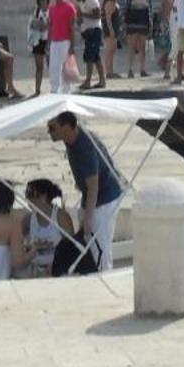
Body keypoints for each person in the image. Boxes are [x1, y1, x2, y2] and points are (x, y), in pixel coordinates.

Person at [48, 110, 124, 272]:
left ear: (66, 127)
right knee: (88, 241)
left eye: (53, 128)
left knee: (100, 248)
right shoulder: (71, 139)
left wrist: (88, 219)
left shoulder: (84, 148)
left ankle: (104, 276)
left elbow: (93, 186)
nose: (49, 132)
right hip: (91, 196)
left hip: (105, 199)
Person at [23, 177, 86, 277]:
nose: (27, 197)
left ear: (44, 196)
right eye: (26, 193)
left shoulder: (61, 217)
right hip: (35, 270)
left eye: (31, 194)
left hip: (57, 268)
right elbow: (23, 246)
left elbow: (71, 247)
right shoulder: (27, 219)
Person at [47, 0, 77, 95]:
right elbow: (51, 26)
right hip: (54, 42)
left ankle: (66, 91)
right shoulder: (52, 8)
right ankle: (54, 90)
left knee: (66, 68)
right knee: (53, 67)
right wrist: (48, 43)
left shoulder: (70, 7)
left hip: (65, 41)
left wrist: (72, 46)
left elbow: (72, 27)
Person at [78, 0, 107, 90]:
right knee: (95, 57)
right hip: (87, 32)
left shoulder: (92, 0)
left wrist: (84, 15)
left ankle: (88, 81)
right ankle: (102, 80)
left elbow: (98, 15)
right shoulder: (81, 2)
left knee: (90, 57)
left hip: (94, 31)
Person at [123, 0, 152, 78]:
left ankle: (142, 69)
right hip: (132, 25)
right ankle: (130, 70)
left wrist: (150, 25)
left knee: (143, 48)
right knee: (131, 48)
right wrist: (125, 24)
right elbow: (125, 11)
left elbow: (150, 13)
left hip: (143, 25)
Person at [28, 0, 52, 95]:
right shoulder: (37, 11)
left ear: (47, 0)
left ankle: (54, 88)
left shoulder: (51, 11)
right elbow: (32, 24)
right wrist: (41, 24)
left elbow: (49, 26)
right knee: (39, 67)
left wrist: (42, 25)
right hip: (38, 41)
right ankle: (37, 90)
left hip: (48, 40)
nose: (42, 1)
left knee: (51, 65)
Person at [103, 0, 122, 79]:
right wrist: (111, 30)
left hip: (116, 28)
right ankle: (108, 72)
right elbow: (108, 18)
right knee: (109, 50)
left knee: (113, 50)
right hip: (111, 29)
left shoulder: (115, 2)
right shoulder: (109, 3)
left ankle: (111, 70)